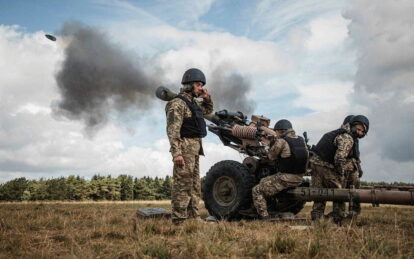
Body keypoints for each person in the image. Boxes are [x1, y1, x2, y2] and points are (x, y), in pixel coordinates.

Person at [165, 68, 213, 225]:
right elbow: (173, 130)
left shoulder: (193, 104)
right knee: (182, 184)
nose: (201, 88)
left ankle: (194, 217)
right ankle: (179, 219)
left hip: (195, 149)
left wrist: (207, 98)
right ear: (189, 84)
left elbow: (208, 110)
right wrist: (176, 153)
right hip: (184, 148)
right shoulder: (177, 103)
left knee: (194, 185)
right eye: (199, 85)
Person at [310, 115, 369, 224]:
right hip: (325, 166)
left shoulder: (337, 133)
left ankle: (317, 217)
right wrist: (340, 173)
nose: (360, 133)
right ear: (352, 125)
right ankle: (338, 217)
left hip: (316, 164)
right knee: (339, 192)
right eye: (359, 129)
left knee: (319, 193)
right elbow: (339, 158)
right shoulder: (347, 138)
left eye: (362, 131)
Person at [251, 119, 309, 219]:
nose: (275, 134)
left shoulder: (282, 141)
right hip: (300, 178)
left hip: (286, 178)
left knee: (257, 190)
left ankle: (264, 217)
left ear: (280, 131)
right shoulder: (301, 140)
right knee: (265, 181)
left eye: (276, 131)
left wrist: (270, 145)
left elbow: (270, 157)